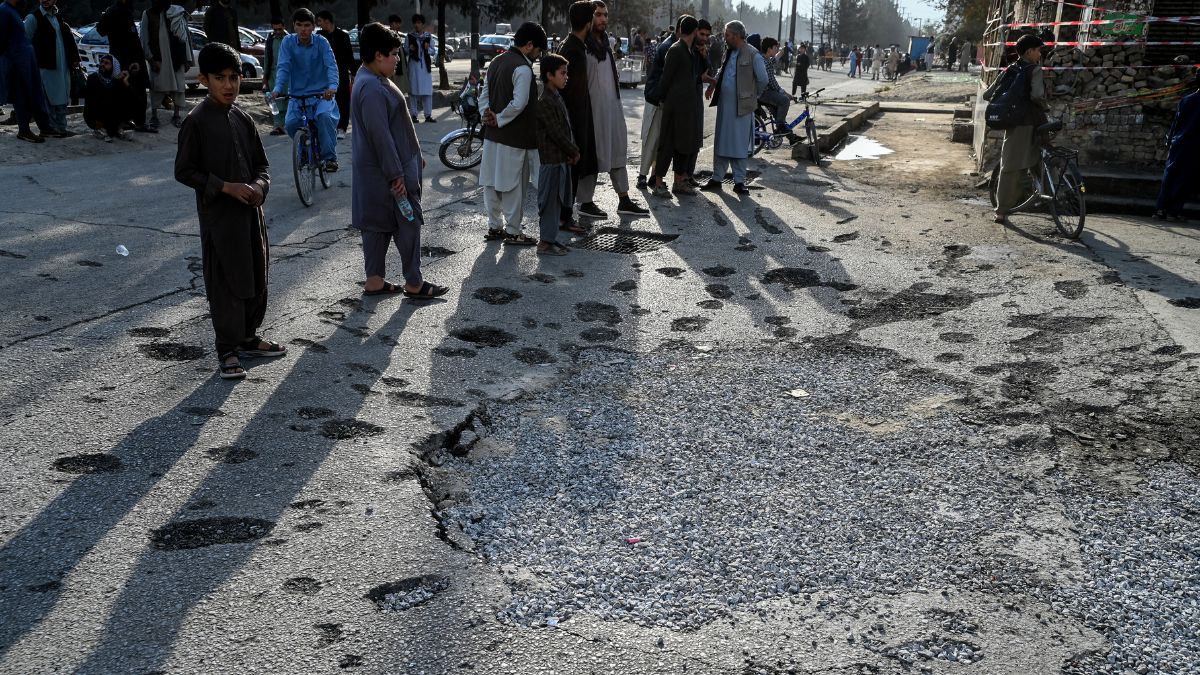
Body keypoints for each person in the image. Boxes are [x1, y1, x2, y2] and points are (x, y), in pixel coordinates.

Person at [175, 42, 285, 381]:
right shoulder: (196, 121)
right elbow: (184, 171)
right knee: (226, 281)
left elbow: (262, 165)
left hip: (251, 215)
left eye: (234, 77)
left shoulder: (243, 118)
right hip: (219, 220)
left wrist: (259, 187)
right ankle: (227, 350)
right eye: (220, 78)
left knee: (255, 273)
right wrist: (226, 187)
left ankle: (249, 337)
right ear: (204, 79)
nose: (228, 85)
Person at [350, 22, 449, 299]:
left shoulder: (370, 79)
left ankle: (375, 281)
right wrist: (397, 174)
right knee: (408, 223)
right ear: (378, 55)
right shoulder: (371, 87)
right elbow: (381, 137)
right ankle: (415, 283)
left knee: (376, 225)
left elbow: (394, 130)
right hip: (389, 174)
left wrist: (414, 156)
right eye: (394, 54)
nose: (397, 59)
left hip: (377, 172)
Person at [560, 0, 649, 219]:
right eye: (598, 15)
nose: (603, 19)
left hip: (612, 108)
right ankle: (585, 201)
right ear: (589, 19)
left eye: (605, 15)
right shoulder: (579, 47)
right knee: (591, 154)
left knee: (617, 151)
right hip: (591, 112)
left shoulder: (606, 44)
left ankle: (624, 199)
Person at [478, 22, 545, 245]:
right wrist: (500, 118)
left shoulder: (496, 62)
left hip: (491, 137)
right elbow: (520, 103)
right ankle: (514, 231)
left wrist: (487, 115)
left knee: (491, 183)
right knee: (514, 186)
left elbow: (483, 95)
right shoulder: (523, 69)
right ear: (528, 46)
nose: (538, 56)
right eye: (538, 50)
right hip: (515, 138)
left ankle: (494, 227)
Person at [982, 34, 1049, 224]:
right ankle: (1004, 209)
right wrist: (1046, 106)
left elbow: (988, 94)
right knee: (1013, 167)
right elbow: (1037, 95)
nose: (1040, 54)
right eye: (1038, 50)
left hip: (1014, 123)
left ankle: (1014, 204)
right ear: (1029, 52)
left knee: (1013, 162)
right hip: (1030, 122)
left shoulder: (1010, 69)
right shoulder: (1034, 69)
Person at [701, 20, 766, 195]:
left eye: (727, 35)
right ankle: (716, 178)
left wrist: (752, 97)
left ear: (736, 36)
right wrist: (713, 85)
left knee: (738, 145)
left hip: (742, 109)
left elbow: (763, 80)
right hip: (725, 106)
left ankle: (739, 181)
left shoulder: (753, 55)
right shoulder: (729, 52)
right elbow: (723, 71)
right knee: (722, 142)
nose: (725, 38)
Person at [272, 8, 340, 172]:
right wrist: (277, 88)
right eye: (299, 25)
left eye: (307, 25)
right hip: (297, 96)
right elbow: (283, 67)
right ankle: (303, 151)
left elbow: (331, 66)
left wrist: (332, 87)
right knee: (290, 123)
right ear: (294, 26)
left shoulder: (321, 42)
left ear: (313, 27)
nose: (303, 29)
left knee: (323, 117)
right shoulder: (288, 42)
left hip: (322, 95)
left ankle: (330, 158)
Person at [651, 14, 702, 198]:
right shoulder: (675, 49)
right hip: (674, 107)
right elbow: (665, 79)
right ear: (694, 31)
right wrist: (661, 99)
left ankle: (679, 182)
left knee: (684, 145)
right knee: (667, 145)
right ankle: (658, 183)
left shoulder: (689, 50)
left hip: (686, 109)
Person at [535, 53, 579, 256]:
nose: (566, 77)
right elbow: (556, 133)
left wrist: (571, 151)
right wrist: (573, 150)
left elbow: (565, 128)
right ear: (549, 75)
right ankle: (545, 243)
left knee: (557, 201)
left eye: (566, 73)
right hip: (551, 160)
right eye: (562, 73)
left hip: (561, 159)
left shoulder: (556, 96)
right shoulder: (544, 100)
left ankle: (551, 239)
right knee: (549, 203)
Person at [637, 14, 681, 190]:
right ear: (679, 31)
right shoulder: (669, 47)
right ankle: (642, 175)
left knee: (660, 141)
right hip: (656, 99)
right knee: (650, 139)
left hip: (664, 100)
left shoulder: (676, 46)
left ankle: (654, 174)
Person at [22, 0, 77, 138]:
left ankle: (61, 128)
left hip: (62, 66)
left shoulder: (57, 17)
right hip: (45, 67)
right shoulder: (33, 18)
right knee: (49, 99)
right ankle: (49, 129)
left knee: (62, 97)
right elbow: (25, 43)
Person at [98, 0, 153, 133]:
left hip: (119, 58)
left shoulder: (112, 11)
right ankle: (138, 122)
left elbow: (100, 30)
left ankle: (125, 120)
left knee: (122, 89)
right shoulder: (120, 11)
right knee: (137, 90)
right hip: (130, 59)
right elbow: (131, 39)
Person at [3, 0, 52, 142]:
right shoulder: (4, 10)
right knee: (22, 95)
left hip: (25, 60)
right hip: (17, 61)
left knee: (34, 94)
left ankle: (44, 127)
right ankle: (24, 130)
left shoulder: (13, 10)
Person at [139, 0, 191, 130]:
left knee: (179, 86)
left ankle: (177, 115)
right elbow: (144, 39)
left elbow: (184, 36)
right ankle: (154, 116)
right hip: (158, 58)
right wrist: (150, 59)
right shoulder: (148, 14)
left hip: (176, 57)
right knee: (156, 87)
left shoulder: (176, 12)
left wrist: (186, 59)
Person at [1154, 85, 1199, 221]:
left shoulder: (1186, 99)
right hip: (1195, 145)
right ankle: (1174, 211)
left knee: (1170, 175)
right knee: (1185, 178)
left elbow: (1176, 123)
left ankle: (1160, 209)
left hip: (1178, 142)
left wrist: (1170, 142)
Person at [316, 10, 353, 138]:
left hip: (341, 72)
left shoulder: (343, 35)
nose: (319, 24)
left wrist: (354, 73)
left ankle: (342, 127)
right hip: (324, 73)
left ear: (327, 21)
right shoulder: (319, 36)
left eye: (320, 21)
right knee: (328, 100)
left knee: (343, 100)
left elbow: (349, 56)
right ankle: (331, 126)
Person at [84, 53, 133, 141]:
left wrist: (126, 82)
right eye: (102, 62)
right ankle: (99, 128)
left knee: (128, 99)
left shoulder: (116, 80)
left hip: (111, 115)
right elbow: (101, 96)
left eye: (107, 63)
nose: (103, 64)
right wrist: (115, 81)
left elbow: (131, 97)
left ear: (113, 66)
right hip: (97, 114)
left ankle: (117, 128)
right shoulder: (93, 77)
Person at [758, 37, 796, 143]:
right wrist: (786, 94)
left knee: (780, 116)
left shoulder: (764, 59)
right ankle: (780, 129)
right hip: (762, 93)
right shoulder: (764, 62)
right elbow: (773, 84)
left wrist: (780, 53)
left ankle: (791, 138)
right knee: (784, 101)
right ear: (769, 49)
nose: (776, 50)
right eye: (775, 48)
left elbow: (773, 60)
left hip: (765, 91)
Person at [406, 14, 434, 122]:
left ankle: (428, 115)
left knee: (427, 91)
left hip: (425, 68)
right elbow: (405, 50)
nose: (416, 25)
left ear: (423, 24)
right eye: (415, 23)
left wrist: (427, 49)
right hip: (414, 66)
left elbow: (433, 51)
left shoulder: (428, 36)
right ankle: (413, 115)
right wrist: (410, 48)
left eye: (419, 23)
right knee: (413, 91)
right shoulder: (410, 36)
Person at [262, 17, 287, 135]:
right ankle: (278, 126)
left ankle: (286, 124)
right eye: (275, 29)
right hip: (273, 74)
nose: (277, 32)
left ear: (284, 27)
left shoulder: (289, 39)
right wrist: (265, 76)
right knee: (274, 101)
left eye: (279, 29)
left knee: (287, 99)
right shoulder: (270, 40)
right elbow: (267, 58)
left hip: (288, 75)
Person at [387, 14, 410, 96]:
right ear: (391, 24)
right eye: (396, 23)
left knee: (400, 91)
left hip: (401, 66)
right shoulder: (388, 36)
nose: (398, 25)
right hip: (393, 68)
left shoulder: (397, 35)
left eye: (399, 23)